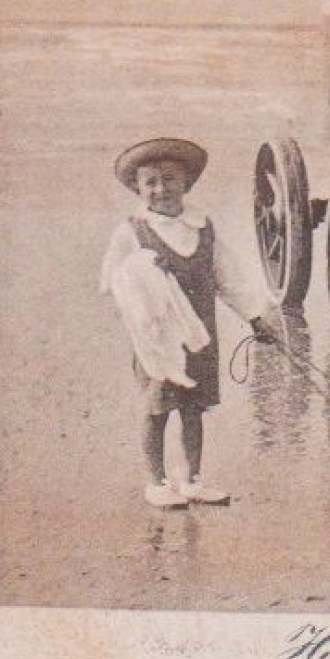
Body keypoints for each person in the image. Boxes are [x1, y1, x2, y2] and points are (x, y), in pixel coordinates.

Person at [100, 137, 277, 509]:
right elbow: (111, 280)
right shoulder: (132, 231)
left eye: (170, 180)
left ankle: (192, 478)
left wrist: (254, 317)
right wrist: (144, 269)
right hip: (156, 340)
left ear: (187, 184)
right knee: (157, 408)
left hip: (200, 336)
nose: (161, 189)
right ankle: (156, 481)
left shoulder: (202, 228)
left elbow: (228, 277)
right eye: (150, 182)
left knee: (194, 409)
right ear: (138, 187)